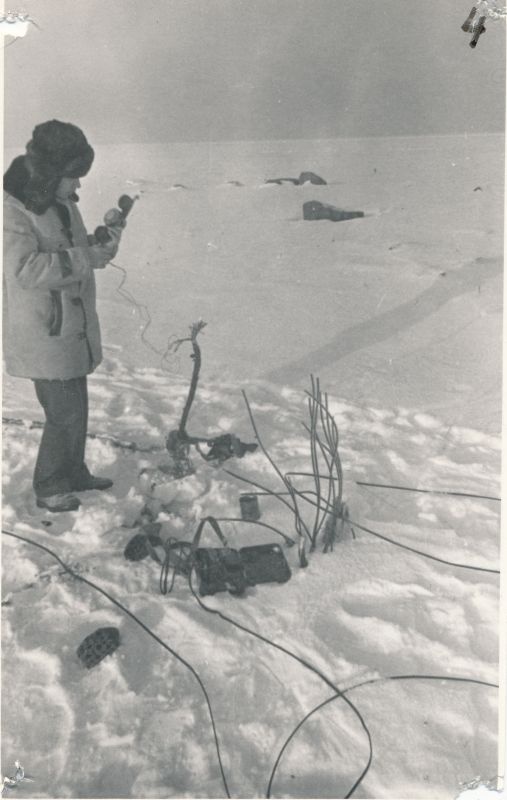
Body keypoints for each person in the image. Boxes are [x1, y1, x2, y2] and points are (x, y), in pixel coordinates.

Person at [3, 119, 123, 513]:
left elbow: (71, 253)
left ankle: (73, 472)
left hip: (71, 329)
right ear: (51, 173)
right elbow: (24, 270)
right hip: (44, 331)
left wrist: (100, 241)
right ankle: (50, 484)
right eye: (73, 176)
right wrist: (83, 257)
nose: (79, 186)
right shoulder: (13, 211)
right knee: (63, 412)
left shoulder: (62, 204)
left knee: (77, 406)